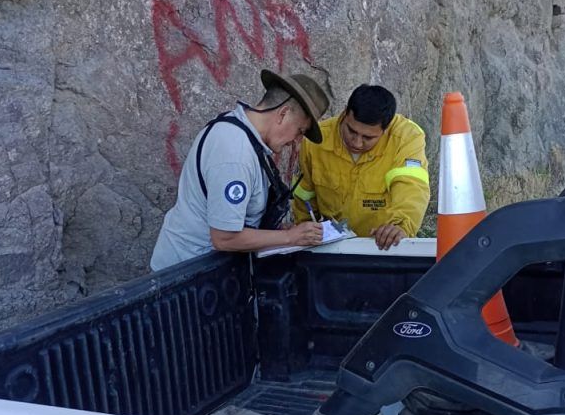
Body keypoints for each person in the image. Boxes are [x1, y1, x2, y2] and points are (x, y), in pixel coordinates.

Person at [151, 70, 329, 269]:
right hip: (185, 274)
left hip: (204, 270)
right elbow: (224, 238)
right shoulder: (236, 155)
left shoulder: (243, 134)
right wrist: (289, 237)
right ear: (283, 114)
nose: (296, 141)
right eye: (300, 131)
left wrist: (276, 232)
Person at [292, 84, 430, 250]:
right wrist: (303, 230)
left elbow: (411, 187)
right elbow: (304, 196)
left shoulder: (406, 138)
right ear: (345, 113)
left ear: (386, 129)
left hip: (382, 247)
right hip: (332, 247)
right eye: (351, 131)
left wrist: (401, 226)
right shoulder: (316, 139)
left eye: (368, 137)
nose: (356, 142)